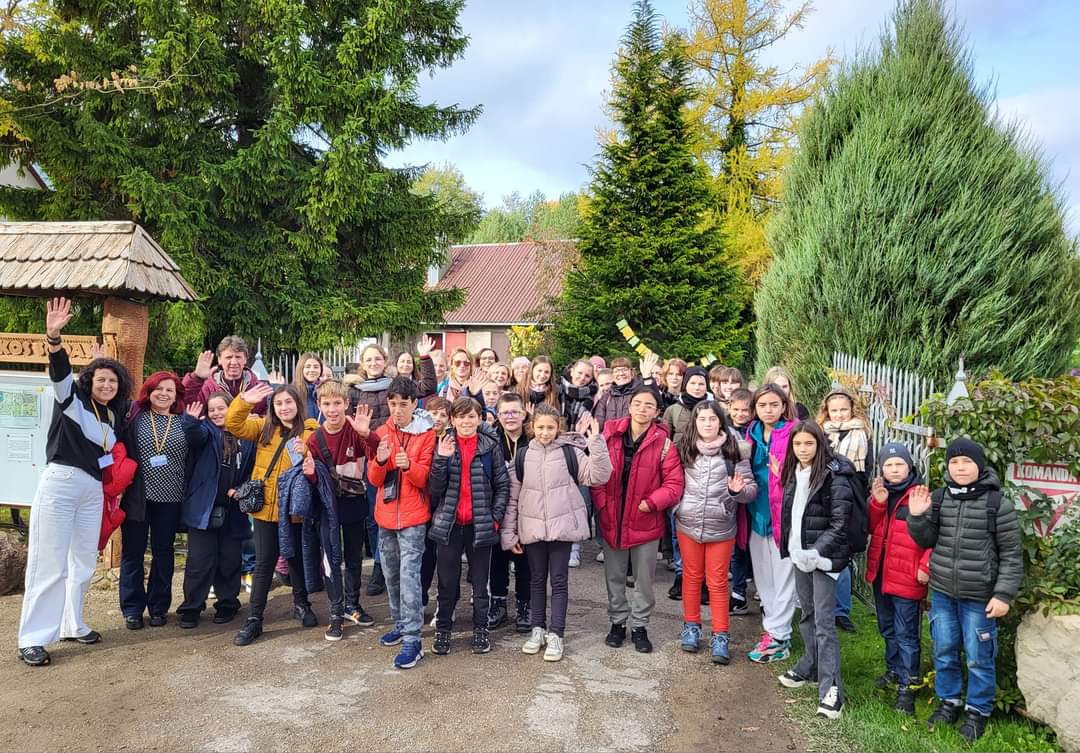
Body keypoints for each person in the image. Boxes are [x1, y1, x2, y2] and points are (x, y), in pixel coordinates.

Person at [18, 298, 134, 666]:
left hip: (92, 488)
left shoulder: (111, 416)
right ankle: (33, 638)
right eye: (101, 379)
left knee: (83, 560)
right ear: (89, 381)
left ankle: (73, 623)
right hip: (61, 482)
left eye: (113, 380)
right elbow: (60, 372)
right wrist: (54, 337)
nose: (107, 384)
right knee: (49, 561)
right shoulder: (70, 399)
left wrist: (100, 361)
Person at [907, 438, 1023, 743]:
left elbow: (1011, 555)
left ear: (979, 465)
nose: (960, 467)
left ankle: (977, 711)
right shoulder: (940, 498)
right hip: (943, 593)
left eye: (967, 461)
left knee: (978, 657)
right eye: (954, 462)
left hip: (980, 598)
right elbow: (926, 540)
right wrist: (917, 517)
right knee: (944, 650)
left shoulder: (997, 504)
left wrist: (1003, 595)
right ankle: (949, 702)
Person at [503, 405, 612, 661]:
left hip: (562, 529)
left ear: (558, 427)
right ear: (532, 427)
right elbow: (512, 498)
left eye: (550, 427)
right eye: (540, 427)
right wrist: (509, 533)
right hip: (533, 528)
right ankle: (537, 629)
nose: (545, 432)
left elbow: (598, 476)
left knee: (559, 581)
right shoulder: (522, 456)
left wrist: (596, 444)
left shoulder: (570, 452)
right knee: (536, 580)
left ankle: (556, 634)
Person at [226, 383, 319, 646]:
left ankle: (301, 604)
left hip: (293, 507)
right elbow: (233, 424)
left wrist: (307, 451)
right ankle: (254, 618)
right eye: (279, 403)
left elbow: (319, 459)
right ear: (272, 407)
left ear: (298, 404)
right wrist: (244, 401)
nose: (284, 407)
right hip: (265, 508)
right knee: (265, 562)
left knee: (295, 558)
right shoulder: (263, 427)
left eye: (288, 402)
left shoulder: (310, 430)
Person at [777, 421, 858, 722]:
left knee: (824, 623)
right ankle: (810, 666)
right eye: (798, 444)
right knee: (807, 614)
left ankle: (831, 689)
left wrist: (816, 552)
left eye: (809, 444)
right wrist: (793, 547)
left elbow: (839, 523)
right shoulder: (794, 471)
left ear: (820, 444)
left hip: (823, 559)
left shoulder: (835, 476)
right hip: (800, 554)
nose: (803, 449)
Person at [593, 386, 684, 654]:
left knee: (644, 579)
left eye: (649, 405)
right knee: (614, 576)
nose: (642, 409)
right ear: (629, 406)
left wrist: (652, 503)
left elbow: (674, 484)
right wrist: (602, 504)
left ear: (657, 411)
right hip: (613, 518)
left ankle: (640, 626)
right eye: (638, 403)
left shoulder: (664, 443)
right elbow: (597, 473)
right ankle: (618, 622)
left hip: (645, 520)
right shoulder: (610, 436)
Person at [346, 337, 437, 598]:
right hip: (377, 451)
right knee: (376, 516)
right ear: (362, 363)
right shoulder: (355, 390)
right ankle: (380, 566)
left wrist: (425, 358)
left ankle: (397, 577)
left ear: (385, 361)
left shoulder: (395, 385)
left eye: (378, 358)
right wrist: (366, 441)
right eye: (369, 359)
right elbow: (353, 425)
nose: (373, 363)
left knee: (403, 512)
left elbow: (427, 386)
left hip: (404, 450)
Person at [673, 401, 756, 664]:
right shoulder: (684, 448)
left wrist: (737, 492)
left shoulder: (735, 450)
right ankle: (691, 626)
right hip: (688, 524)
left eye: (712, 419)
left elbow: (751, 490)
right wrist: (677, 507)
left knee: (718, 582)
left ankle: (720, 634)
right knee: (691, 578)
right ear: (694, 423)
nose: (707, 424)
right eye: (702, 419)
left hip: (721, 526)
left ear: (721, 421)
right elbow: (673, 481)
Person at [428, 398, 511, 656]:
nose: (466, 421)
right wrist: (440, 460)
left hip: (480, 524)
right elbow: (435, 489)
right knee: (446, 582)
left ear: (479, 419)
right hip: (450, 525)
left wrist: (495, 518)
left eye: (471, 416)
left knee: (480, 582)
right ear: (453, 419)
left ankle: (480, 629)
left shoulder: (490, 447)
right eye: (461, 417)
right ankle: (443, 629)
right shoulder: (444, 444)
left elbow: (502, 485)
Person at [367, 377, 436, 669]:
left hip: (413, 517)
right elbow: (374, 480)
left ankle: (413, 640)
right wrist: (381, 461)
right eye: (393, 404)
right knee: (391, 574)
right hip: (385, 517)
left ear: (414, 404)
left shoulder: (427, 434)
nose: (397, 410)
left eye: (403, 404)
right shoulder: (382, 432)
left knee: (409, 577)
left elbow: (425, 479)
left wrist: (410, 466)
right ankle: (400, 622)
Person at [302, 380, 378, 640]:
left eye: (337, 403)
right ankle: (335, 611)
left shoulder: (355, 430)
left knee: (355, 557)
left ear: (346, 403)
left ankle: (352, 605)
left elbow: (378, 454)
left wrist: (367, 434)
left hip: (355, 501)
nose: (332, 409)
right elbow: (314, 481)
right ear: (319, 406)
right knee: (332, 559)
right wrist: (311, 474)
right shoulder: (314, 439)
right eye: (327, 404)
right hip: (328, 507)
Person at [175, 392, 256, 629]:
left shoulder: (245, 436)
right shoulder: (206, 431)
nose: (217, 413)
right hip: (204, 507)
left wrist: (242, 489)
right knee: (200, 561)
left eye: (222, 408)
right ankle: (192, 607)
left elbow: (252, 469)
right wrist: (190, 420)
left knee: (230, 560)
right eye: (212, 410)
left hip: (234, 508)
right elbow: (194, 436)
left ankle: (228, 603)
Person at [118, 371, 189, 629]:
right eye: (159, 388)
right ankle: (132, 608)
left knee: (163, 552)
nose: (164, 394)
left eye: (169, 390)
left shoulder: (184, 421)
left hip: (171, 497)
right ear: (149, 391)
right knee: (133, 552)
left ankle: (159, 606)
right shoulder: (135, 416)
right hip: (138, 496)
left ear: (176, 395)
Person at [865, 442, 931, 716]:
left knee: (906, 633)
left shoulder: (920, 495)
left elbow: (933, 535)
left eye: (899, 464)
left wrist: (925, 564)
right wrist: (877, 504)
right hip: (881, 572)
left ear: (909, 466)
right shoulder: (882, 494)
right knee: (887, 626)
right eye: (888, 465)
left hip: (906, 574)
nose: (894, 469)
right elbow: (870, 526)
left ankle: (909, 684)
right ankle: (894, 669)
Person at [744, 383, 798, 663]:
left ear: (784, 406)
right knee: (763, 576)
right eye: (762, 405)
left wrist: (783, 474)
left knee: (784, 577)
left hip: (783, 516)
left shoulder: (794, 432)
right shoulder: (751, 432)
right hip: (757, 513)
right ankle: (772, 627)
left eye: (774, 405)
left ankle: (779, 637)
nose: (768, 410)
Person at [817, 386, 873, 633]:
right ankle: (823, 604)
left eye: (844, 410)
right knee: (824, 547)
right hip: (824, 493)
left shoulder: (862, 433)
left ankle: (841, 609)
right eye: (834, 410)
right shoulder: (821, 432)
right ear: (827, 412)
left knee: (844, 551)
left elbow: (867, 468)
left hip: (851, 493)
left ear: (852, 410)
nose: (839, 414)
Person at [663, 366, 712, 599]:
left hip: (706, 474)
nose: (697, 387)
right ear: (685, 384)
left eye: (701, 383)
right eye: (693, 383)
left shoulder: (713, 409)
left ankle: (702, 579)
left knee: (704, 528)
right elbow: (664, 441)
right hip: (679, 474)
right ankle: (681, 574)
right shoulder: (673, 410)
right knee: (678, 527)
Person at [490, 392, 533, 632]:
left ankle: (524, 605)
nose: (510, 417)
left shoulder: (533, 440)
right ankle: (498, 603)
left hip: (527, 511)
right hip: (498, 508)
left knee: (525, 562)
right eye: (505, 412)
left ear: (524, 414)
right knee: (497, 560)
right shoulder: (490, 439)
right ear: (498, 415)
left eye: (515, 412)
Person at [421, 396, 453, 612]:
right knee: (424, 557)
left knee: (443, 559)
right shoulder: (420, 437)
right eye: (434, 414)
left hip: (443, 506)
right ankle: (421, 600)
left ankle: (445, 606)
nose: (438, 419)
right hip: (422, 504)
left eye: (443, 415)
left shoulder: (451, 441)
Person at [183, 337, 269, 415]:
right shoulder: (207, 387)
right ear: (219, 360)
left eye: (238, 357)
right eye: (229, 357)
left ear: (245, 359)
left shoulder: (258, 388)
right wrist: (197, 378)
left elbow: (268, 417)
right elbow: (186, 404)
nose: (234, 362)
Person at [726, 388, 755, 616]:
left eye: (745, 410)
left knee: (754, 546)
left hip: (755, 492)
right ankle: (738, 593)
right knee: (737, 547)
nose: (740, 414)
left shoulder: (756, 431)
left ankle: (759, 589)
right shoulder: (725, 431)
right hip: (733, 491)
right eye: (736, 409)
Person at [592, 353, 655, 429]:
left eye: (624, 369)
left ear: (631, 372)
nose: (621, 373)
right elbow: (599, 423)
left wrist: (647, 378)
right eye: (617, 371)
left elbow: (654, 402)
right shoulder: (606, 398)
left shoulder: (640, 392)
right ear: (612, 375)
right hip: (610, 436)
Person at [561, 359, 597, 429]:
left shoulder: (594, 397)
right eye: (580, 373)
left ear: (591, 379)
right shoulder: (558, 390)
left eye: (587, 376)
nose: (582, 378)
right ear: (572, 372)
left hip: (580, 434)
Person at [292, 352, 326, 424]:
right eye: (308, 367)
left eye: (316, 367)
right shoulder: (293, 391)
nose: (312, 370)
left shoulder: (325, 390)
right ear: (301, 368)